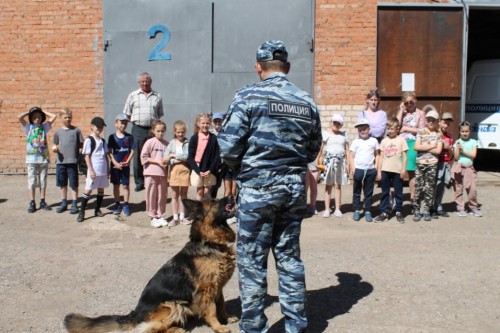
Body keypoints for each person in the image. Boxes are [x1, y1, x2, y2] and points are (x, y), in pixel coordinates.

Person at [218, 40, 322, 333]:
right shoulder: (306, 101)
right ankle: (296, 325)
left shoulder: (248, 96)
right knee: (289, 258)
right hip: (292, 191)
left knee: (252, 261)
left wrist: (245, 172)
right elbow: (312, 150)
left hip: (258, 192)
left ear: (258, 67)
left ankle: (253, 328)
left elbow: (227, 147)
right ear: (287, 67)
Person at [123, 72, 164, 193]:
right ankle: (139, 182)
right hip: (138, 129)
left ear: (151, 82)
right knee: (138, 156)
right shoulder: (133, 95)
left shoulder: (157, 96)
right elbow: (127, 113)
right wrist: (137, 123)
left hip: (152, 129)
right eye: (142, 82)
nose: (145, 83)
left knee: (153, 155)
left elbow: (159, 113)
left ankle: (151, 178)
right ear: (139, 83)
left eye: (147, 81)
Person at [18, 106, 57, 213]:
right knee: (32, 181)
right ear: (31, 118)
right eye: (34, 117)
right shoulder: (28, 127)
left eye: (39, 117)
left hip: (43, 158)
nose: (37, 119)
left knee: (43, 181)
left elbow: (54, 116)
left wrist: (42, 111)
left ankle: (43, 201)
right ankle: (32, 202)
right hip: (31, 159)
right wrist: (30, 112)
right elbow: (19, 117)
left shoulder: (44, 127)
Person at [374, 117, 408, 223]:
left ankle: (398, 211)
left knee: (398, 192)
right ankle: (384, 212)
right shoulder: (384, 141)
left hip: (397, 170)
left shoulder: (401, 140)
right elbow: (381, 157)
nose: (390, 131)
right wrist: (379, 171)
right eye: (388, 128)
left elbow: (405, 156)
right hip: (385, 170)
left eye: (392, 129)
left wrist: (403, 169)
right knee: (385, 192)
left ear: (397, 129)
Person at [77, 117, 110, 223]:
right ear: (92, 127)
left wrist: (107, 170)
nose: (100, 129)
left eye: (101, 127)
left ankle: (97, 209)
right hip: (94, 169)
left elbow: (105, 155)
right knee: (89, 189)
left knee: (101, 189)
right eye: (98, 126)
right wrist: (90, 170)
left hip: (102, 169)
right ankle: (82, 212)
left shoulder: (103, 141)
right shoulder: (89, 140)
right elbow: (86, 156)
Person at [412, 108, 443, 222]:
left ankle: (426, 210)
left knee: (429, 188)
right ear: (426, 120)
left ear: (437, 122)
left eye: (433, 120)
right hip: (421, 163)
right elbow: (416, 147)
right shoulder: (421, 132)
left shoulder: (438, 135)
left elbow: (438, 151)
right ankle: (416, 209)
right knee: (419, 187)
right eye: (429, 119)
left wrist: (425, 148)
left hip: (432, 164)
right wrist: (432, 146)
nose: (431, 122)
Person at [52, 108, 84, 214]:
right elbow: (55, 145)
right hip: (61, 162)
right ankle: (64, 203)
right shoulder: (57, 132)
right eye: (65, 117)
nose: (67, 119)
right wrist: (55, 148)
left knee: (74, 184)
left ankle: (74, 203)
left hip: (72, 162)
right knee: (62, 184)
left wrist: (79, 155)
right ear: (61, 118)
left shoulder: (76, 131)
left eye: (69, 117)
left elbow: (81, 145)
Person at [397, 91, 426, 207]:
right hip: (401, 143)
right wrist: (400, 110)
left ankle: (413, 197)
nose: (409, 104)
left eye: (411, 102)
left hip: (414, 143)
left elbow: (423, 130)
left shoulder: (420, 113)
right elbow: (396, 126)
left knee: (411, 171)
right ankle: (398, 197)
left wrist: (406, 129)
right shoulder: (403, 113)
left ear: (415, 100)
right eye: (406, 102)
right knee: (399, 170)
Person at [318, 113, 349, 218]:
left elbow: (347, 150)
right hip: (328, 162)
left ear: (341, 125)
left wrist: (348, 163)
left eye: (338, 123)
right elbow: (321, 149)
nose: (336, 124)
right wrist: (319, 161)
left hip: (340, 162)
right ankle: (327, 209)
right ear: (331, 122)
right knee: (328, 185)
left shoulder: (344, 135)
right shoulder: (326, 134)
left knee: (337, 185)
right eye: (334, 122)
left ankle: (337, 209)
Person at [349, 118, 380, 222]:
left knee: (368, 192)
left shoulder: (373, 141)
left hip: (370, 170)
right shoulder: (356, 142)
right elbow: (351, 156)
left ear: (369, 129)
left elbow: (377, 155)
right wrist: (353, 169)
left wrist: (376, 168)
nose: (362, 131)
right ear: (358, 130)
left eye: (364, 129)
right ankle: (356, 210)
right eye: (360, 129)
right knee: (357, 192)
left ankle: (367, 211)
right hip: (358, 170)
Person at [140, 120, 169, 228]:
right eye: (158, 131)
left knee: (162, 195)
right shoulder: (150, 142)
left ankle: (160, 215)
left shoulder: (167, 143)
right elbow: (143, 157)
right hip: (151, 173)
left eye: (162, 131)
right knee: (151, 195)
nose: (160, 133)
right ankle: (153, 217)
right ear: (153, 130)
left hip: (162, 173)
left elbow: (169, 158)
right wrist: (157, 161)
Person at [108, 114, 136, 217]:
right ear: (116, 124)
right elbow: (109, 152)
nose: (123, 125)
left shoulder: (129, 137)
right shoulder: (112, 137)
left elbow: (132, 150)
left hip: (125, 166)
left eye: (125, 123)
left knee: (126, 186)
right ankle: (117, 205)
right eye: (121, 122)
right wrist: (115, 163)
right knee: (116, 186)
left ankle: (126, 205)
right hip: (115, 167)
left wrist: (128, 161)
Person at [163, 120, 191, 226]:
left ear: (185, 132)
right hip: (174, 171)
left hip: (185, 171)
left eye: (182, 132)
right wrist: (172, 159)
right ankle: (175, 218)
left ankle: (182, 216)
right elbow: (165, 158)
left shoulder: (187, 143)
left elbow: (187, 156)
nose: (180, 134)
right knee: (174, 195)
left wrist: (174, 156)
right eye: (178, 132)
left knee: (184, 195)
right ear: (175, 132)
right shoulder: (171, 143)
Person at [187, 113, 220, 201]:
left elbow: (217, 156)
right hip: (197, 168)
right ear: (198, 123)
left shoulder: (213, 138)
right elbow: (190, 157)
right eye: (203, 123)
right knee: (200, 192)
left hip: (209, 169)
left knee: (206, 191)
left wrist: (211, 170)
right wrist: (198, 171)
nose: (205, 125)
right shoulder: (194, 138)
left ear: (210, 123)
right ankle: (199, 212)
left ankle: (207, 212)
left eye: (207, 123)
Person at [452, 121, 481, 217]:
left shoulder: (473, 142)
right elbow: (456, 157)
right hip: (458, 167)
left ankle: (473, 207)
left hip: (469, 168)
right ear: (459, 132)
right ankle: (460, 208)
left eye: (466, 131)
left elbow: (473, 155)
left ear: (470, 131)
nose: (464, 133)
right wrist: (457, 149)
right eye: (462, 131)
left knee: (472, 189)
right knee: (458, 189)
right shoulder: (457, 142)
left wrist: (463, 150)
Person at [432, 112, 454, 218]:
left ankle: (438, 206)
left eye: (448, 124)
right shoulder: (435, 134)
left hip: (445, 163)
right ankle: (431, 207)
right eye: (444, 123)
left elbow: (451, 154)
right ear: (439, 122)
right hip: (436, 162)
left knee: (442, 186)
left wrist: (449, 148)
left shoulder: (449, 137)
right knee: (435, 184)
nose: (446, 126)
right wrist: (442, 145)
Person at [209, 112, 225, 199]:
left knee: (219, 183)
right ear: (212, 122)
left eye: (219, 121)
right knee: (212, 184)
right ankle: (211, 201)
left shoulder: (225, 133)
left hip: (223, 162)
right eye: (216, 121)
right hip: (213, 163)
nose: (217, 123)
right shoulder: (210, 133)